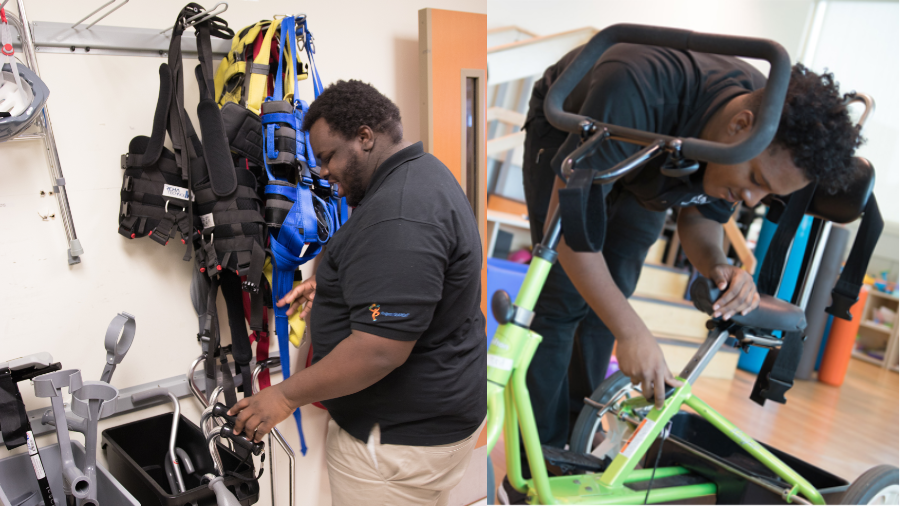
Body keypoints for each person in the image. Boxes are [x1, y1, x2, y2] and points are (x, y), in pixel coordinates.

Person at [514, 42, 861, 479]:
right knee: (562, 298)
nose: (752, 200)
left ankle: (579, 442)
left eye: (767, 195)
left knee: (614, 290)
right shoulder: (636, 86)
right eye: (754, 180)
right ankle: (537, 462)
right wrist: (632, 330)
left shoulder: (762, 125)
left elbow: (700, 216)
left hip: (664, 149)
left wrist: (717, 263)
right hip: (585, 124)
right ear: (739, 125)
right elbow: (571, 233)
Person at [227, 80, 486, 506]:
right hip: (427, 424)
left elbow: (379, 350)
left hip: (394, 446)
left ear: (365, 137)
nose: (323, 171)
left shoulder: (399, 213)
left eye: (328, 157)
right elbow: (414, 277)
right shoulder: (422, 172)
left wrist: (284, 395)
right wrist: (336, 284)